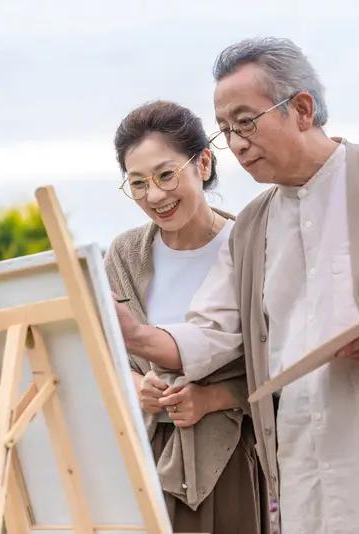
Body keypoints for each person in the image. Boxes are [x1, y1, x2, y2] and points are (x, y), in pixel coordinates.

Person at [114, 38, 359, 533]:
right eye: (226, 130)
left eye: (246, 122)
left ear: (301, 108)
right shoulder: (252, 226)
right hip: (310, 474)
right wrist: (135, 334)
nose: (235, 144)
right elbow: (213, 331)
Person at [104, 100, 262, 533]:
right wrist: (138, 387)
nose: (154, 195)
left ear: (204, 163)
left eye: (166, 175)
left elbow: (282, 363)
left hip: (226, 460)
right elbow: (100, 356)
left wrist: (213, 399)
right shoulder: (124, 254)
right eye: (137, 184)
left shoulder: (249, 247)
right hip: (139, 459)